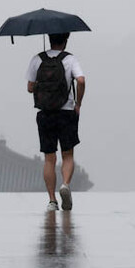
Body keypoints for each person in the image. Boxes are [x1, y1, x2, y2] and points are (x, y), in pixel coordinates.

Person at [26, 32, 85, 211]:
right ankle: (65, 184)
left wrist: (42, 84)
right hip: (66, 112)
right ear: (65, 41)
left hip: (45, 114)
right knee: (67, 154)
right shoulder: (70, 59)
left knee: (49, 158)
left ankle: (52, 200)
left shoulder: (37, 59)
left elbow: (29, 88)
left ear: (50, 39)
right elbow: (81, 80)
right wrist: (78, 104)